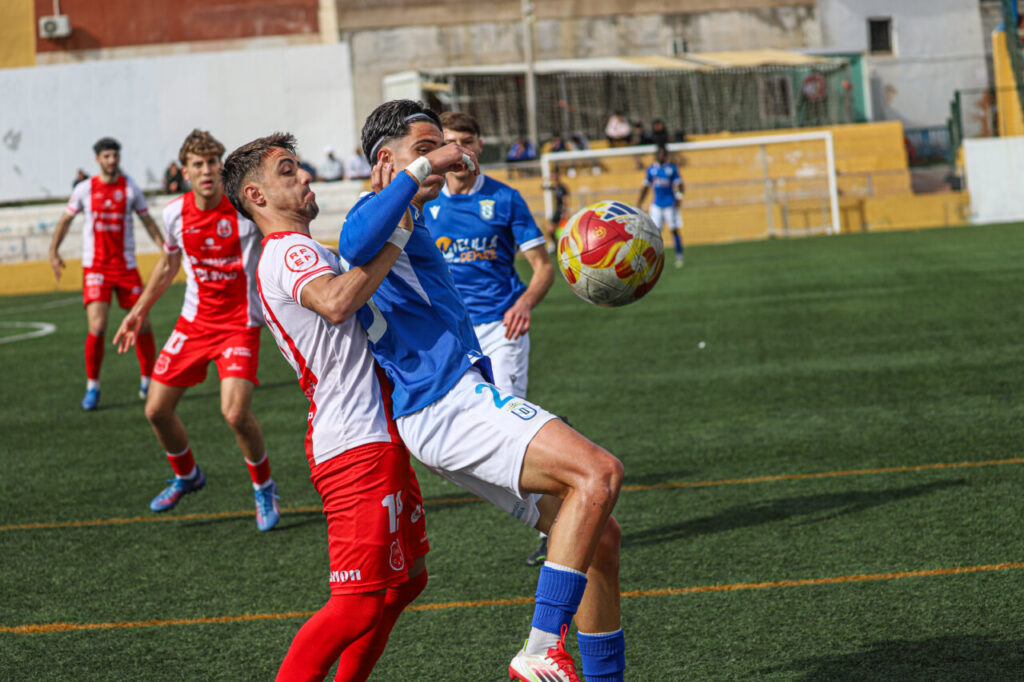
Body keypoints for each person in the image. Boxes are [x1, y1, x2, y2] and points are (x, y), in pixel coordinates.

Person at [344, 100, 625, 682]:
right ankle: (541, 647)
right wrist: (420, 172)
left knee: (599, 537)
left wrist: (418, 173)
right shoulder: (375, 210)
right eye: (426, 148)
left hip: (447, 408)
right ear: (385, 160)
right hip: (446, 403)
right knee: (599, 473)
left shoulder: (409, 218)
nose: (443, 159)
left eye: (441, 149)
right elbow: (352, 240)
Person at [222, 131, 446, 680]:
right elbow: (339, 301)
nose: (304, 178)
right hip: (354, 441)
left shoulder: (306, 250)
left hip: (372, 433)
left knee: (408, 579)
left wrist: (385, 204)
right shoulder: (290, 250)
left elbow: (350, 268)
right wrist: (400, 224)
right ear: (256, 196)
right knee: (357, 604)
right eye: (287, 171)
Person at [113, 129, 280, 531]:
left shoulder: (244, 210)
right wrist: (137, 311)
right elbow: (169, 265)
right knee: (155, 409)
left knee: (236, 413)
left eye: (212, 164)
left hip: (240, 324)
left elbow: (280, 239)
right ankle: (187, 474)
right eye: (198, 165)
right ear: (184, 171)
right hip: (195, 323)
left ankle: (264, 487)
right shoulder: (174, 214)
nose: (207, 171)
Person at [425, 111, 556, 567]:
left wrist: (523, 304)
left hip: (502, 329)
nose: (459, 150)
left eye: (467, 141)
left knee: (512, 430)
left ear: (479, 146)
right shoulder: (425, 201)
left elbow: (543, 267)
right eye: (450, 142)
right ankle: (549, 513)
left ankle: (555, 525)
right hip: (449, 337)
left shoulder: (505, 199)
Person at [49, 136, 163, 411]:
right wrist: (54, 251)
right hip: (97, 268)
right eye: (107, 156)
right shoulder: (85, 189)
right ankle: (93, 387)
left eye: (115, 156)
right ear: (97, 159)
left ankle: (147, 381)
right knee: (98, 327)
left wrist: (165, 248)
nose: (112, 161)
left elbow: (147, 221)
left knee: (142, 324)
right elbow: (66, 220)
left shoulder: (130, 188)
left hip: (125, 267)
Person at [638, 145, 685, 268]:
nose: (661, 156)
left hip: (670, 205)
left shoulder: (672, 169)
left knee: (674, 230)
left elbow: (680, 184)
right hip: (657, 205)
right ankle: (653, 259)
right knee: (654, 233)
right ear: (656, 155)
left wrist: (679, 197)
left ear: (666, 155)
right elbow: (645, 187)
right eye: (659, 153)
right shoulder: (651, 170)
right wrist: (640, 201)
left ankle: (679, 256)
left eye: (663, 154)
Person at [542, 168, 569, 255]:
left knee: (560, 232)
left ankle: (561, 248)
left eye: (555, 175)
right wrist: (547, 178)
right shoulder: (555, 187)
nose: (554, 177)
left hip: (561, 211)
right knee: (549, 230)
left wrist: (564, 212)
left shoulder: (562, 188)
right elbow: (542, 187)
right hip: (556, 211)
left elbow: (565, 200)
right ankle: (556, 247)